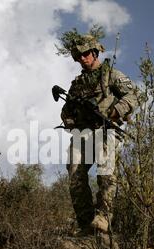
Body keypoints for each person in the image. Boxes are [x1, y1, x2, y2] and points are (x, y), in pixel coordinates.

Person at [56, 28, 138, 236]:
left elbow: (133, 96)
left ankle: (104, 217)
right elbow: (66, 112)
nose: (82, 58)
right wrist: (71, 120)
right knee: (75, 171)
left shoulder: (112, 75)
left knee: (106, 167)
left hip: (106, 128)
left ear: (95, 53)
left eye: (86, 54)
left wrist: (113, 112)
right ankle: (86, 223)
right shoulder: (77, 85)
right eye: (79, 56)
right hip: (83, 133)